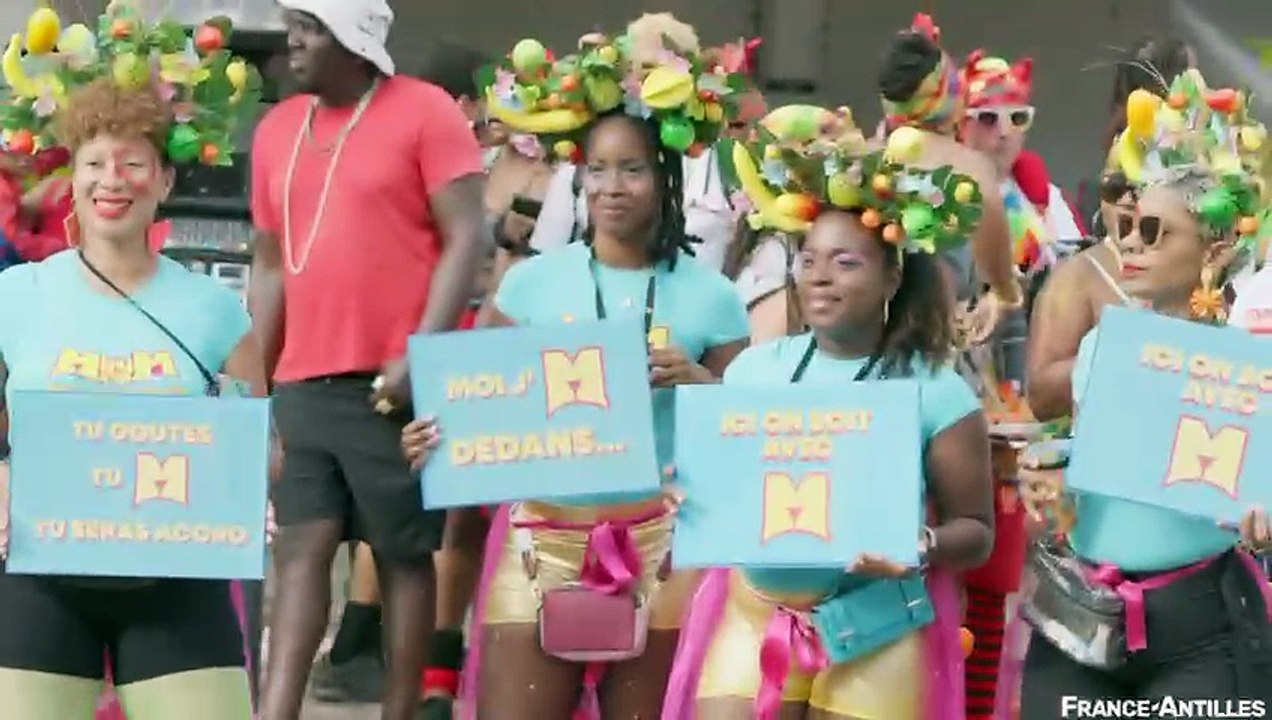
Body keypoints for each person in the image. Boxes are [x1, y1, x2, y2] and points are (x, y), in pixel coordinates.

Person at [403, 27, 752, 719]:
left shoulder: (712, 297)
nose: (611, 187)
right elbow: (477, 405)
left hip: (664, 549)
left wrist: (699, 384)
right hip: (540, 542)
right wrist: (434, 443)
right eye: (597, 169)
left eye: (633, 169)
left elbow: (747, 441)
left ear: (667, 176)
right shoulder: (532, 284)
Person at [660, 106, 994, 720]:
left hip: (877, 630)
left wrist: (920, 543)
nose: (819, 278)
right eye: (808, 260)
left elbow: (976, 531)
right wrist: (686, 495)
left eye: (846, 263)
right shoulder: (753, 372)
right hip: (752, 616)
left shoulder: (936, 391)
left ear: (893, 278)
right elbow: (717, 488)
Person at [0, 4, 265, 717]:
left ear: (165, 183)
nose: (111, 180)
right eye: (93, 163)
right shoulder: (14, 296)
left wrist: (248, 490)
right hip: (39, 577)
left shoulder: (216, 312)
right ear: (72, 180)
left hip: (179, 580)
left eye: (133, 164)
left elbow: (260, 443)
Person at [247, 1, 487, 718]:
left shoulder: (426, 111)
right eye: (294, 23)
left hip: (392, 380)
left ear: (354, 41)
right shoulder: (276, 129)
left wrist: (424, 350)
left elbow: (467, 236)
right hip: (302, 378)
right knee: (301, 551)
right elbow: (266, 263)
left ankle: (400, 710)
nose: (293, 39)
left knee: (401, 555)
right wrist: (261, 375)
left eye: (312, 27)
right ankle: (277, 709)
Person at [1018, 70, 1272, 714]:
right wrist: (1049, 470)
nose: (1128, 242)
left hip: (1202, 629)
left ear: (1214, 247)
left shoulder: (1255, 361)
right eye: (1127, 225)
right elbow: (1108, 463)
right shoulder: (1105, 346)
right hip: (1082, 620)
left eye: (1155, 231)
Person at [306, 40, 514, 716]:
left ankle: (371, 650)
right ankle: (417, 666)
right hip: (447, 336)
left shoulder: (404, 150)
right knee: (437, 507)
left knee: (413, 502)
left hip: (420, 336)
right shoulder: (464, 159)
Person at [1026, 39, 1196, 421]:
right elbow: (1040, 397)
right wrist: (1130, 352)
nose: (1132, 204)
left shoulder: (1228, 269)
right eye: (1118, 187)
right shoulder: (1081, 277)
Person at [523, 13, 761, 276]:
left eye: (665, 66)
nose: (651, 83)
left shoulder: (724, 168)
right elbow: (542, 268)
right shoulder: (578, 170)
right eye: (640, 69)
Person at [877, 13, 1020, 344]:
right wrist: (1005, 291)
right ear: (950, 93)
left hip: (870, 337)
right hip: (937, 336)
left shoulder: (868, 157)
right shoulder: (965, 165)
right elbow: (990, 217)